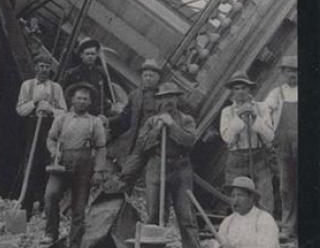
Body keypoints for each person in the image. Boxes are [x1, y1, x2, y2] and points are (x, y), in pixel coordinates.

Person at [123, 82, 201, 248]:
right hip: (157, 167)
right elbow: (142, 146)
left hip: (181, 169)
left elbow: (189, 141)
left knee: (186, 217)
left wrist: (172, 125)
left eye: (172, 96)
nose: (168, 101)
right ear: (159, 100)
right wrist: (157, 129)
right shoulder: (151, 121)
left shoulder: (187, 120)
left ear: (177, 99)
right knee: (155, 216)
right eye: (164, 97)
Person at [41, 82, 108, 247]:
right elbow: (51, 138)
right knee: (50, 196)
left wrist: (99, 171)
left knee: (79, 207)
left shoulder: (94, 122)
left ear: (90, 102)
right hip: (61, 164)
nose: (82, 101)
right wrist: (53, 151)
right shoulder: (62, 118)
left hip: (84, 166)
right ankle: (51, 233)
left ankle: (75, 241)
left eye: (86, 99)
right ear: (72, 99)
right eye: (79, 98)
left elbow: (100, 148)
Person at [16, 54, 67, 219]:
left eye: (47, 66)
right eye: (41, 66)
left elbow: (64, 112)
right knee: (29, 166)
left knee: (47, 165)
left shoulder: (56, 88)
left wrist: (51, 109)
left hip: (49, 128)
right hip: (31, 128)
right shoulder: (27, 85)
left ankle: (47, 208)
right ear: (35, 67)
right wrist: (35, 102)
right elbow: (20, 110)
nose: (44, 69)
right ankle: (26, 209)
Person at [220, 71, 275, 213]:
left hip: (259, 158)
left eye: (243, 88)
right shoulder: (227, 112)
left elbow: (270, 136)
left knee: (265, 198)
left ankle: (264, 230)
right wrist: (238, 116)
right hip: (236, 159)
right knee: (238, 199)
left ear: (249, 89)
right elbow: (227, 137)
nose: (240, 92)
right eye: (236, 89)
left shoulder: (262, 108)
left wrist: (255, 117)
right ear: (232, 91)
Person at [264, 55, 297, 241]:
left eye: (296, 71)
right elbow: (265, 111)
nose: (293, 74)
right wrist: (270, 134)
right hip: (284, 147)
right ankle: (288, 227)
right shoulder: (277, 94)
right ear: (283, 73)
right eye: (289, 71)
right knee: (286, 187)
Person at [106, 58, 162, 167]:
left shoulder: (161, 98)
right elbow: (125, 117)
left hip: (144, 143)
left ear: (158, 78)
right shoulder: (135, 94)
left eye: (151, 76)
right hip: (128, 140)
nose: (148, 78)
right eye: (146, 75)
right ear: (142, 76)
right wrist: (107, 121)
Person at [215, 176, 279, 248]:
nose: (235, 200)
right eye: (233, 196)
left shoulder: (264, 219)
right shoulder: (228, 221)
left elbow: (268, 246)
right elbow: (219, 243)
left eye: (240, 195)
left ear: (251, 198)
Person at [60, 38, 113, 116]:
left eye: (93, 54)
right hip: (77, 111)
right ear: (82, 55)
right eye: (87, 54)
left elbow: (107, 93)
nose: (90, 56)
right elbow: (63, 94)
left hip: (96, 112)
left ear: (96, 55)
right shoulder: (72, 73)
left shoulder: (100, 73)